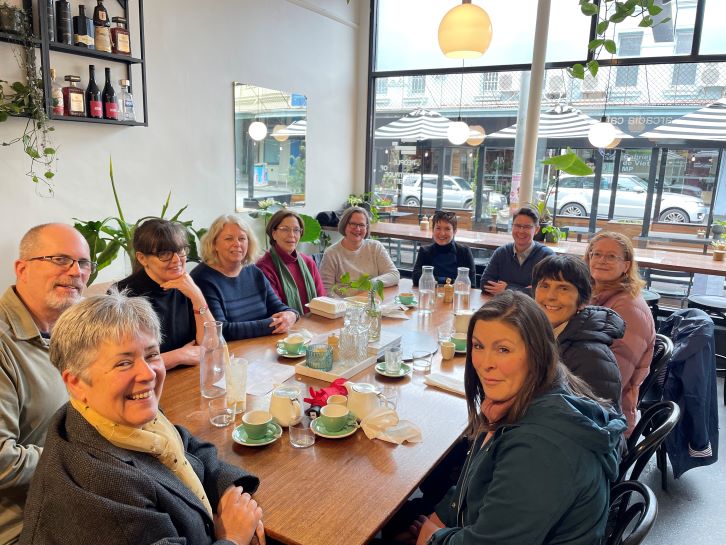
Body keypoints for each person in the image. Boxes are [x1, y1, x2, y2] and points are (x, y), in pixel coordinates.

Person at [19, 292, 265, 545]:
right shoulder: (102, 484)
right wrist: (233, 537)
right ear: (76, 382)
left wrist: (228, 492)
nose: (148, 373)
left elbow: (187, 446)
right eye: (124, 363)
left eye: (151, 355)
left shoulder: (108, 416)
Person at [414, 291, 626, 545]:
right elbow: (475, 487)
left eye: (503, 349)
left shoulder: (541, 448)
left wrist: (433, 538)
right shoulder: (536, 396)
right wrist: (439, 520)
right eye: (479, 346)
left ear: (537, 354)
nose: (485, 363)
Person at [0, 223, 92, 544]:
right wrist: (85, 456)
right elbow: (2, 462)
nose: (75, 271)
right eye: (59, 259)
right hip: (26, 526)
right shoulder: (3, 343)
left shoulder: (69, 329)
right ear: (21, 269)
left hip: (79, 493)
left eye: (83, 263)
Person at [532, 254, 624, 412]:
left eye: (563, 288)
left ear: (582, 301)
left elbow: (592, 426)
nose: (550, 296)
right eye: (544, 286)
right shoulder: (540, 334)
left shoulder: (591, 357)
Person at [116, 218, 212, 370]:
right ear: (142, 258)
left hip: (188, 378)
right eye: (165, 253)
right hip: (145, 385)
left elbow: (211, 345)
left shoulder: (186, 285)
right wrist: (180, 356)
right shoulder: (122, 295)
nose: (176, 260)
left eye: (180, 251)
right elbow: (124, 363)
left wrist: (197, 296)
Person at [585, 231, 656, 436]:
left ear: (626, 265)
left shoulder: (628, 308)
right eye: (596, 254)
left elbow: (611, 383)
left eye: (611, 256)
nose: (601, 261)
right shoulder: (592, 295)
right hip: (590, 406)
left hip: (609, 421)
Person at [191, 215, 297, 340]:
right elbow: (222, 330)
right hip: (231, 355)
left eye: (242, 238)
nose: (237, 244)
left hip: (261, 349)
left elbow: (278, 307)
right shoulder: (202, 278)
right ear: (214, 244)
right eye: (229, 239)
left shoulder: (254, 272)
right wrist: (272, 324)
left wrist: (291, 315)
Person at [256, 209, 326, 314]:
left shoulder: (308, 262)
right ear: (274, 233)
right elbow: (275, 309)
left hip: (315, 324)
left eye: (296, 230)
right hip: (285, 326)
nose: (292, 235)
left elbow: (322, 300)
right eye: (285, 229)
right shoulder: (264, 267)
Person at [319, 206, 399, 292]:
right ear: (344, 225)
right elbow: (325, 290)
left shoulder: (375, 247)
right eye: (353, 224)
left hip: (370, 302)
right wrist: (344, 304)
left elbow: (394, 275)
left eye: (361, 225)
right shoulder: (331, 253)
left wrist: (370, 283)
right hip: (343, 304)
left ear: (366, 228)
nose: (357, 229)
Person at [481, 206, 554, 295]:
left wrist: (507, 288)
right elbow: (485, 283)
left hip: (532, 309)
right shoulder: (501, 252)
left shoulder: (546, 257)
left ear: (537, 230)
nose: (521, 231)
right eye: (518, 225)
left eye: (527, 227)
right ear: (512, 226)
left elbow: (547, 291)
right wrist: (525, 290)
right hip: (504, 306)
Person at [411, 211, 475, 287]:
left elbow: (470, 284)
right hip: (431, 295)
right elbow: (416, 279)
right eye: (438, 228)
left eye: (447, 229)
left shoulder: (464, 252)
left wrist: (435, 280)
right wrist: (449, 281)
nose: (442, 233)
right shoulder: (425, 251)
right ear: (432, 230)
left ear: (454, 231)